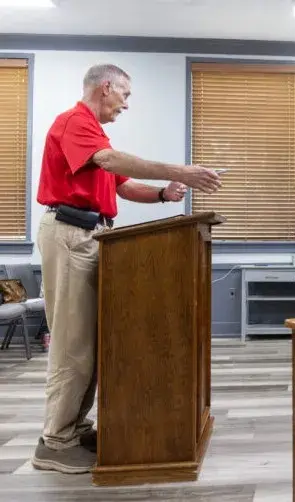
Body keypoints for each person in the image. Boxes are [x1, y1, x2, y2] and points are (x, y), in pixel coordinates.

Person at [31, 64, 221, 474]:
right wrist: (177, 169)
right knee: (72, 344)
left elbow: (122, 185)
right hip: (70, 233)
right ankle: (55, 442)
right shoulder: (74, 122)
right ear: (106, 87)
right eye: (125, 95)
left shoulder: (95, 136)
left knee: (90, 343)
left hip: (91, 236)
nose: (126, 104)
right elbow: (112, 161)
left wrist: (163, 193)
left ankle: (75, 428)